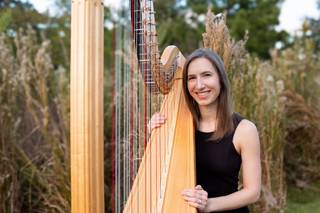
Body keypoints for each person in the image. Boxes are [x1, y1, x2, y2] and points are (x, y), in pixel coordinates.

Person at [148, 48, 261, 212]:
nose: (199, 85)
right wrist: (154, 134)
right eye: (192, 78)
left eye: (207, 75)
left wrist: (209, 205)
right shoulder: (176, 125)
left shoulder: (244, 129)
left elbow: (252, 192)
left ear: (221, 79)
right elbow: (159, 172)